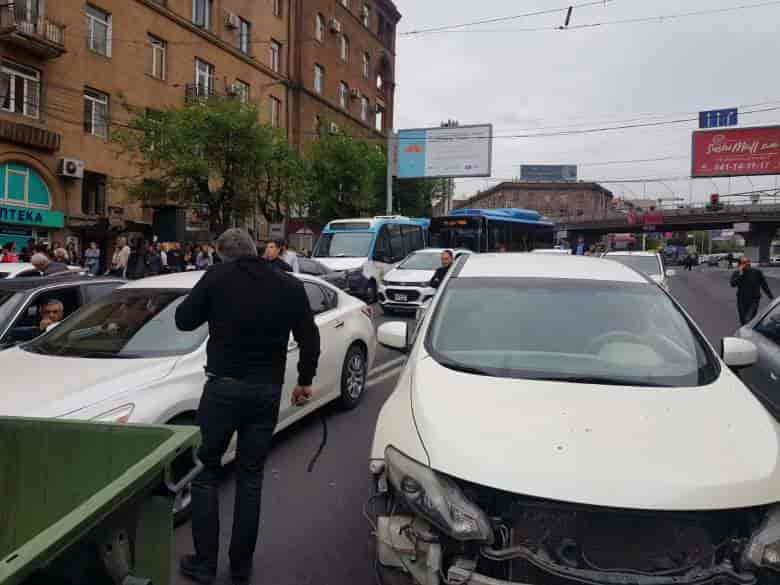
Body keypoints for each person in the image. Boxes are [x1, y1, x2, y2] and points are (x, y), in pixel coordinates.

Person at [175, 228, 320, 585]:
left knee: (205, 473)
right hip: (266, 391)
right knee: (250, 478)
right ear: (255, 250)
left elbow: (183, 320)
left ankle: (205, 564)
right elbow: (309, 337)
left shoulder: (217, 276)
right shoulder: (288, 285)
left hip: (222, 389)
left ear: (222, 254)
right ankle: (240, 569)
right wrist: (304, 380)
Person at [731, 257, 774, 325]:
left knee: (749, 318)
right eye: (744, 263)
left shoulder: (757, 272)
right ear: (740, 265)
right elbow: (733, 284)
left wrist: (770, 296)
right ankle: (745, 328)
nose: (747, 264)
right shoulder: (737, 273)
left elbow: (764, 285)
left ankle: (748, 328)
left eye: (748, 262)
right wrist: (740, 274)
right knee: (743, 319)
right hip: (742, 299)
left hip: (754, 299)